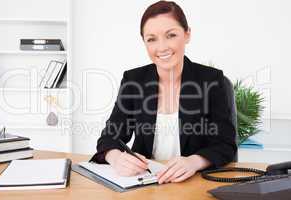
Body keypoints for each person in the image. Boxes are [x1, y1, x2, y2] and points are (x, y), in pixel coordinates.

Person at [90, 0, 237, 184]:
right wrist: (116, 157)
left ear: (187, 34)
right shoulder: (133, 81)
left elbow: (225, 144)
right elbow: (109, 136)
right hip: (147, 182)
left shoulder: (211, 80)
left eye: (171, 35)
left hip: (194, 182)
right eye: (152, 39)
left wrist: (194, 162)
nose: (162, 47)